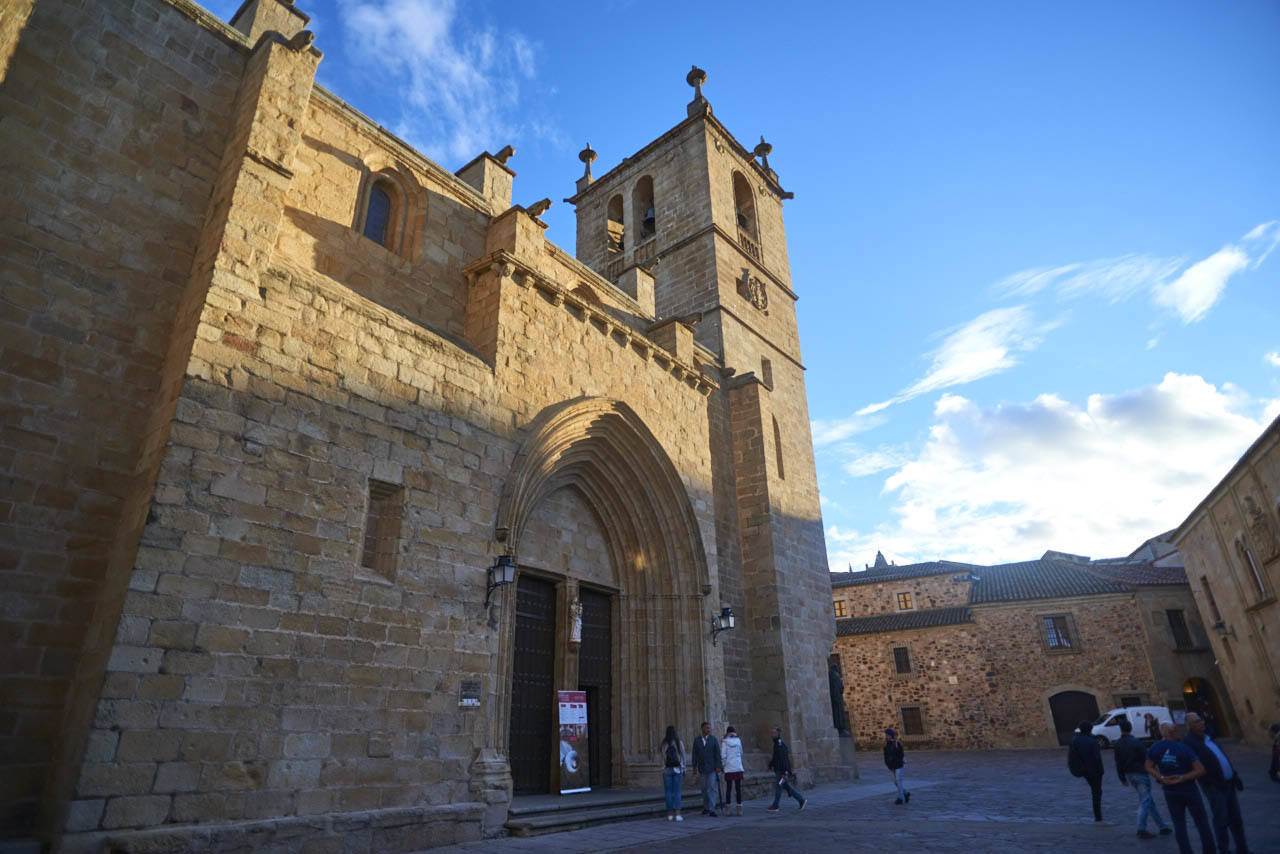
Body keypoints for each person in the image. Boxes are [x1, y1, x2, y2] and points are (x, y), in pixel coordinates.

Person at [1185, 712, 1250, 854]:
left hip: (1229, 783)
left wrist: (1234, 775)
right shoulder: (1190, 742)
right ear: (1189, 726)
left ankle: (1242, 848)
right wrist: (1211, 782)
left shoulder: (1208, 737)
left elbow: (1222, 758)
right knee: (1221, 820)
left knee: (1236, 819)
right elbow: (1195, 766)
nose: (1201, 723)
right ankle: (1224, 850)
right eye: (1196, 721)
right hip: (1214, 787)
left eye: (1200, 720)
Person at [1146, 722, 1215, 854]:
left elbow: (1148, 766)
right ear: (1173, 733)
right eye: (1177, 731)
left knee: (1179, 824)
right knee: (1202, 822)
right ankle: (1209, 850)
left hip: (1170, 791)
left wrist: (1160, 777)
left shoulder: (1155, 747)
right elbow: (1200, 770)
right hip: (1189, 789)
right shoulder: (1184, 748)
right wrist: (1182, 777)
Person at [1114, 716, 1171, 839]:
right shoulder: (1136, 742)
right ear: (1130, 728)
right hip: (1140, 773)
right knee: (1145, 800)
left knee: (1148, 800)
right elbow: (1148, 760)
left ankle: (1162, 826)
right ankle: (1141, 828)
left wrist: (1122, 778)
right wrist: (1156, 774)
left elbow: (1118, 762)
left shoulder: (1118, 744)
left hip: (1129, 775)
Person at [1067, 720, 1105, 822]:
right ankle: (1098, 816)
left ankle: (1098, 816)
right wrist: (1101, 771)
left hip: (1083, 770)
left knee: (1095, 791)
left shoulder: (1074, 740)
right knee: (1097, 792)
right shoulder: (1092, 741)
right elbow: (1097, 758)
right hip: (1093, 770)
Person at [765, 726, 807, 812]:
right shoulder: (777, 743)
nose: (771, 734)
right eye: (771, 733)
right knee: (787, 787)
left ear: (777, 734)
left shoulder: (780, 744)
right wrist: (770, 765)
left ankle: (775, 805)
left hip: (781, 770)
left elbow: (784, 759)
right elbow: (776, 757)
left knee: (779, 787)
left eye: (773, 733)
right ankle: (801, 800)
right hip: (779, 769)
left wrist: (784, 772)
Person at [691, 721, 722, 817]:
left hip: (712, 768)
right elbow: (694, 754)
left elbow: (717, 753)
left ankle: (712, 809)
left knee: (712, 788)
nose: (709, 729)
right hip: (702, 768)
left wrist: (718, 766)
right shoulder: (697, 741)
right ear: (703, 729)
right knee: (704, 789)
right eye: (707, 728)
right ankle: (706, 807)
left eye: (709, 728)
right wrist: (694, 766)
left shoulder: (713, 740)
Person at [660, 725, 685, 822]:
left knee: (668, 793)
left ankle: (670, 815)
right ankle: (678, 814)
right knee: (677, 792)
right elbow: (683, 756)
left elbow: (662, 758)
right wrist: (683, 768)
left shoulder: (664, 744)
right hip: (677, 769)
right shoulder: (679, 743)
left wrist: (663, 768)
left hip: (667, 770)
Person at [721, 726, 745, 816]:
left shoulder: (724, 742)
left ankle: (728, 809)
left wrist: (723, 766)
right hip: (738, 767)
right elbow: (741, 752)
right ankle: (739, 809)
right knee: (738, 788)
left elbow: (723, 756)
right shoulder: (738, 741)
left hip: (729, 767)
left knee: (729, 788)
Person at [883, 728, 910, 804]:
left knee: (898, 780)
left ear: (891, 735)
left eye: (887, 735)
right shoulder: (886, 744)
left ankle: (900, 798)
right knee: (895, 782)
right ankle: (906, 793)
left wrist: (897, 760)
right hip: (891, 766)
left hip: (898, 765)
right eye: (886, 735)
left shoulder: (897, 743)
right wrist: (887, 763)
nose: (886, 736)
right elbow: (885, 755)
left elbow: (901, 754)